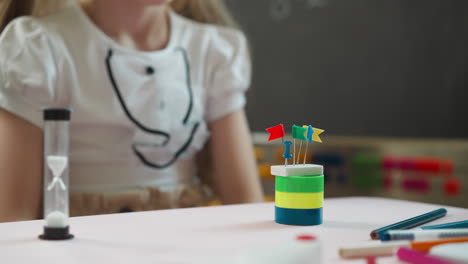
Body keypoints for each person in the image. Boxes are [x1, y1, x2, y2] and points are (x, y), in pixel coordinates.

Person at [0, 0, 263, 222]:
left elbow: (245, 203)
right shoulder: (40, 48)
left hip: (185, 245)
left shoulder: (213, 50)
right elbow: (13, 218)